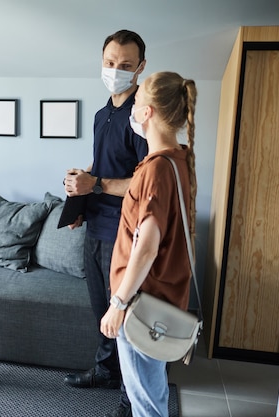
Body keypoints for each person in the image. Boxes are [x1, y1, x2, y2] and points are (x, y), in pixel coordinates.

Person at [100, 71, 197, 417]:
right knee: (152, 394)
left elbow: (147, 246)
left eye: (137, 103)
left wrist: (117, 303)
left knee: (146, 403)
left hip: (142, 303)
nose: (132, 109)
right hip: (158, 299)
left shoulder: (156, 169)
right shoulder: (178, 160)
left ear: (149, 112)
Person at [63, 30, 147, 417]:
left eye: (126, 66)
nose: (116, 70)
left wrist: (95, 183)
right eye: (110, 63)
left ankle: (131, 398)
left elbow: (147, 182)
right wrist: (81, 194)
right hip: (95, 223)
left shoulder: (143, 117)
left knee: (122, 313)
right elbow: (103, 167)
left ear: (140, 68)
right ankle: (105, 371)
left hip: (124, 230)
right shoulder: (102, 113)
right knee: (101, 309)